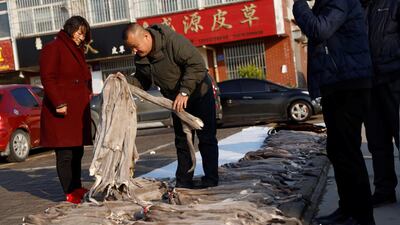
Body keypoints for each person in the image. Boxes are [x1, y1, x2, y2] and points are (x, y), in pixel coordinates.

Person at [293, 0, 375, 224]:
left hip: (348, 85)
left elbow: (320, 29)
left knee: (348, 152)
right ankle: (347, 209)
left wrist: (299, 4)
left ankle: (361, 216)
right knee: (338, 151)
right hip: (336, 85)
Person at [122, 23, 219, 189]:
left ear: (146, 36)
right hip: (177, 103)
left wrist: (184, 91)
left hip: (199, 94)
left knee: (206, 138)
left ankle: (211, 178)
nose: (134, 51)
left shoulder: (173, 42)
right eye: (131, 48)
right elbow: (142, 80)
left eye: (135, 46)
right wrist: (124, 82)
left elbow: (197, 64)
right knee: (182, 142)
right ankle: (184, 181)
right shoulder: (141, 58)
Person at [39, 16, 92, 204]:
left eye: (83, 33)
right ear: (70, 29)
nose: (81, 37)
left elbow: (84, 76)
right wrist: (59, 102)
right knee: (65, 153)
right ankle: (69, 191)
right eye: (78, 32)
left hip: (77, 111)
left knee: (78, 151)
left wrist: (89, 92)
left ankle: (77, 187)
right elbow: (48, 77)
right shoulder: (53, 48)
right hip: (62, 110)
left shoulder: (77, 50)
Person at [364, 0, 400, 208]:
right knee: (377, 141)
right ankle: (384, 190)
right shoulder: (360, 6)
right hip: (370, 82)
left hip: (395, 78)